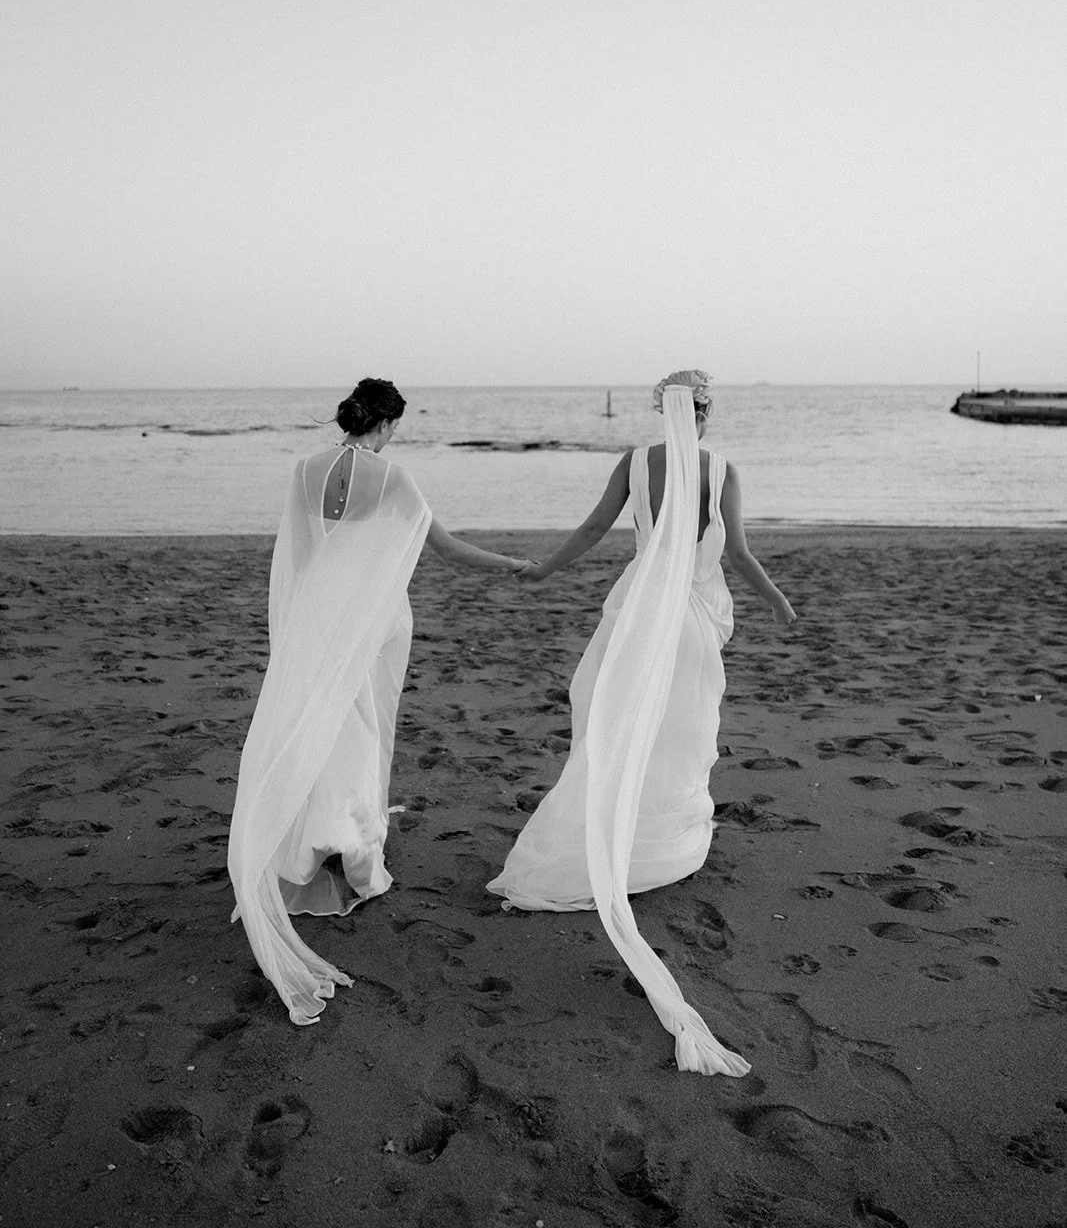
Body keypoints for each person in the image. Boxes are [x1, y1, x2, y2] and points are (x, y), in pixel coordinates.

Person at [489, 370, 796, 1077]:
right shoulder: (721, 470)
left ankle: (611, 836)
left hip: (636, 618)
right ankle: (658, 840)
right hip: (687, 619)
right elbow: (741, 554)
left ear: (661, 411)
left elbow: (596, 530)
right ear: (707, 412)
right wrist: (777, 601)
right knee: (683, 735)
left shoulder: (632, 462)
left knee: (618, 729)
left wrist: (542, 572)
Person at [228, 377, 528, 1025]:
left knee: (314, 727)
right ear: (387, 422)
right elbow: (444, 549)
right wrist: (510, 565)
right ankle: (347, 849)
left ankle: (308, 842)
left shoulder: (305, 470)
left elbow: (300, 552)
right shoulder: (391, 478)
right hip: (363, 623)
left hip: (312, 616)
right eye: (397, 424)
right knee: (359, 730)